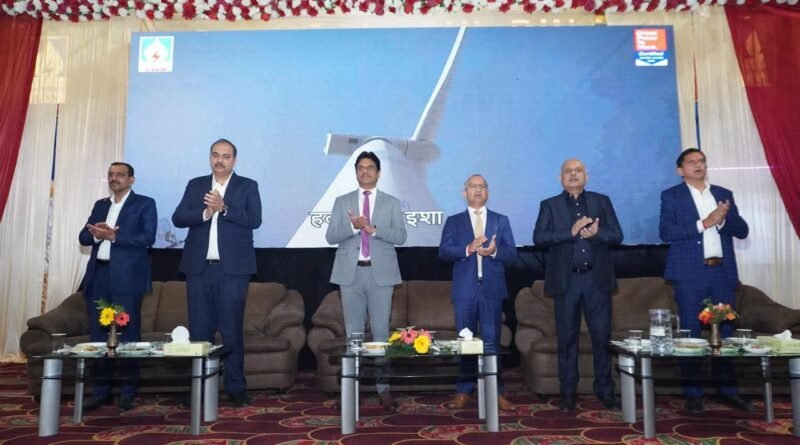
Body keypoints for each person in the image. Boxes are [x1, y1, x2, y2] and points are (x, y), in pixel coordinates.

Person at [659, 147, 751, 414]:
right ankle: (693, 394)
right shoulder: (671, 196)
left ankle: (728, 390)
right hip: (690, 274)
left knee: (726, 332)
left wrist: (722, 221)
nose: (698, 165)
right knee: (690, 333)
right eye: (692, 162)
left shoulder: (722, 194)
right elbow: (666, 232)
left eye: (701, 161)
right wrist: (706, 222)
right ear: (680, 170)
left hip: (720, 272)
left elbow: (742, 230)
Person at [172, 138, 262, 407]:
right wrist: (205, 213)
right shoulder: (196, 184)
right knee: (200, 332)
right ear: (210, 158)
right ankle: (200, 388)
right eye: (215, 155)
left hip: (232, 271)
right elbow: (178, 218)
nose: (220, 160)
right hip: (198, 269)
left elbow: (254, 220)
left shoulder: (247, 186)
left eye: (225, 156)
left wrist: (224, 208)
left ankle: (236, 387)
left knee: (231, 331)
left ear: (234, 160)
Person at [533, 158, 623, 412]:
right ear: (560, 178)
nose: (573, 174)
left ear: (586, 176)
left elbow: (617, 235)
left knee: (602, 338)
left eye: (578, 170)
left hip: (597, 280)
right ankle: (568, 393)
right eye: (568, 171)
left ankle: (605, 390)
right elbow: (539, 237)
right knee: (567, 339)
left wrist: (597, 234)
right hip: (567, 281)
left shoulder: (601, 201)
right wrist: (570, 232)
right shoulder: (549, 205)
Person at [326, 151, 407, 412]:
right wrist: (353, 227)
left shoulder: (391, 202)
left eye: (370, 167)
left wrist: (373, 230)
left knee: (381, 333)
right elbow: (330, 236)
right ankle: (351, 389)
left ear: (378, 172)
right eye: (360, 167)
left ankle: (384, 389)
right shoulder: (342, 201)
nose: (365, 171)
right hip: (350, 275)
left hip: (380, 275)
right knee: (354, 335)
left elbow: (401, 236)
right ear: (356, 172)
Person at [78, 162, 157, 411]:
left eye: (120, 175)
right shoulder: (100, 205)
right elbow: (83, 237)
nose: (114, 178)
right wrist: (96, 234)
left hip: (127, 278)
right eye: (111, 174)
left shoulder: (144, 204)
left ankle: (127, 391)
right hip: (99, 276)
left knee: (129, 335)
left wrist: (115, 237)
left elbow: (148, 238)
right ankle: (101, 391)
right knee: (98, 335)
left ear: (131, 179)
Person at [438, 174, 517, 411]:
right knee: (466, 344)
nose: (478, 190)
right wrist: (468, 248)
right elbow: (444, 252)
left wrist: (494, 252)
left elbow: (512, 255)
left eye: (482, 186)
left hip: (492, 290)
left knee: (492, 344)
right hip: (465, 291)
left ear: (488, 192)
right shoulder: (454, 221)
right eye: (473, 186)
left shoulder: (501, 220)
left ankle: (496, 392)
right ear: (465, 192)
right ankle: (464, 390)